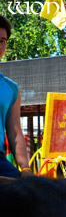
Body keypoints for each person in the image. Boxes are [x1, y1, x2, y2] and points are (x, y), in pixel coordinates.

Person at [0, 16, 32, 178]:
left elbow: (14, 132)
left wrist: (25, 169)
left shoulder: (11, 88)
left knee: (31, 193)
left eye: (2, 40)